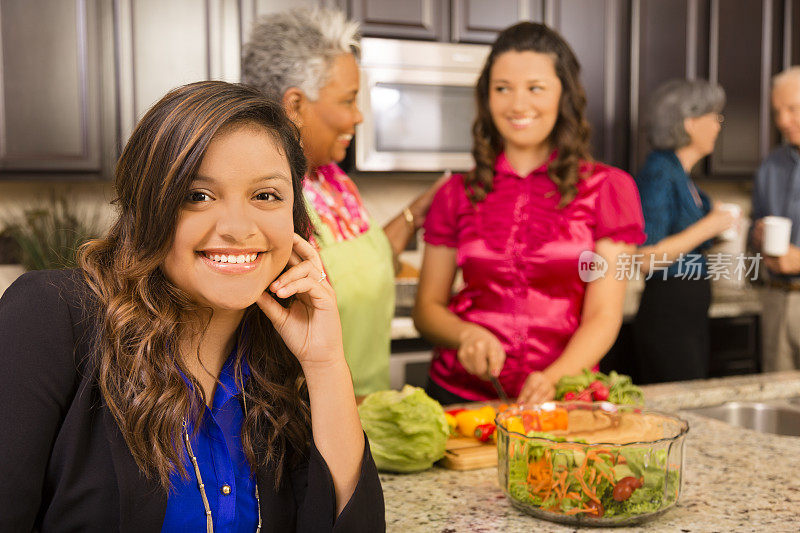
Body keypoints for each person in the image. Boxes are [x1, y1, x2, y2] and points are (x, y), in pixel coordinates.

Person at [0, 81, 384, 532]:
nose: (239, 228)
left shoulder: (281, 360)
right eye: (197, 196)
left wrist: (325, 365)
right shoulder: (50, 316)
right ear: (147, 208)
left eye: (266, 196)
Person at [411, 22, 646, 405]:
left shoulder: (608, 188)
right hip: (463, 401)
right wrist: (465, 335)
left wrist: (554, 379)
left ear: (563, 96)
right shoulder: (455, 194)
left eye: (535, 88)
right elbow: (427, 309)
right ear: (487, 98)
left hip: (565, 400)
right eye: (502, 89)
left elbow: (604, 314)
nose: (518, 105)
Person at [241, 7, 446, 396]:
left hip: (367, 413)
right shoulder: (268, 199)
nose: (358, 117)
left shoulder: (333, 181)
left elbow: (368, 262)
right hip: (309, 422)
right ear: (295, 105)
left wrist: (416, 212)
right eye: (349, 100)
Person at [631, 79, 738, 384]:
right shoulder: (660, 172)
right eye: (714, 117)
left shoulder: (680, 174)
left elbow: (682, 240)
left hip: (685, 314)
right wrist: (710, 225)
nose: (718, 126)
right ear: (690, 123)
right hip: (668, 316)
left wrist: (717, 229)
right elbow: (645, 257)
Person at [751, 66, 800, 372]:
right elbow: (753, 240)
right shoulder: (770, 165)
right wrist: (757, 237)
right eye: (777, 112)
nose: (782, 121)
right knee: (779, 409)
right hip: (775, 301)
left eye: (792, 109)